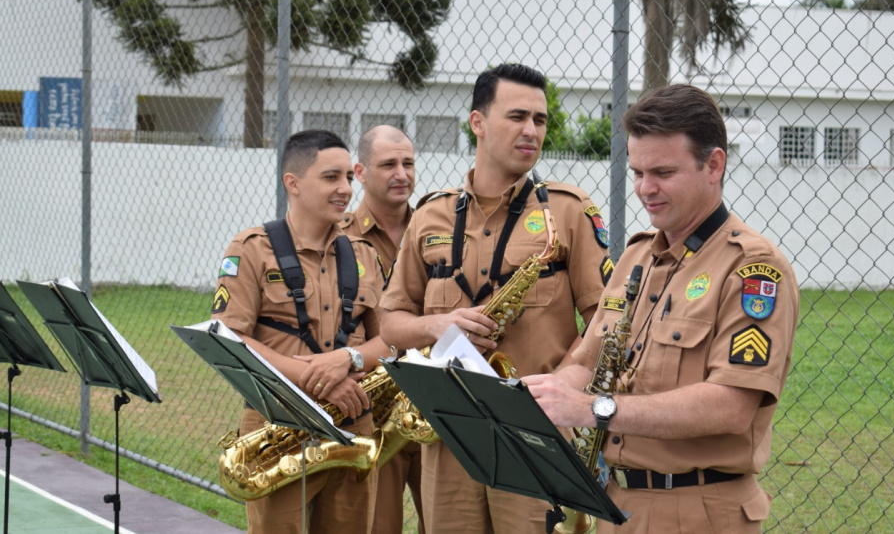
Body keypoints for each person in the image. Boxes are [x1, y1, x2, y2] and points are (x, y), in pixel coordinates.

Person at [525, 84, 800, 533]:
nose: (644, 189)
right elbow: (587, 362)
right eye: (637, 172)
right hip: (619, 505)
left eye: (663, 172)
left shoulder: (752, 268)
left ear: (714, 165)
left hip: (699, 511)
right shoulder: (636, 257)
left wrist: (591, 409)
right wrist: (533, 402)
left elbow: (730, 406)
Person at [379, 63, 614, 534]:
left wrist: (565, 388)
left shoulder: (568, 211)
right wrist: (437, 325)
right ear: (478, 123)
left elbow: (606, 322)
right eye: (517, 116)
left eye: (540, 120)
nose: (532, 130)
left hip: (537, 433)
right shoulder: (431, 215)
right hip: (450, 435)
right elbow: (390, 321)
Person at [211, 130, 390, 534]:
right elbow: (228, 337)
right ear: (292, 183)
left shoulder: (364, 253)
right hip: (278, 427)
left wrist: (347, 360)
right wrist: (319, 380)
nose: (345, 188)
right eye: (331, 177)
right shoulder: (251, 249)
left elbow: (389, 338)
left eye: (348, 177)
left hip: (352, 423)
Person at [340, 125, 425, 534]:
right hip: (375, 412)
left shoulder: (438, 228)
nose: (401, 174)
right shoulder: (338, 239)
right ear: (360, 171)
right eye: (388, 164)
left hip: (434, 405)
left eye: (408, 163)